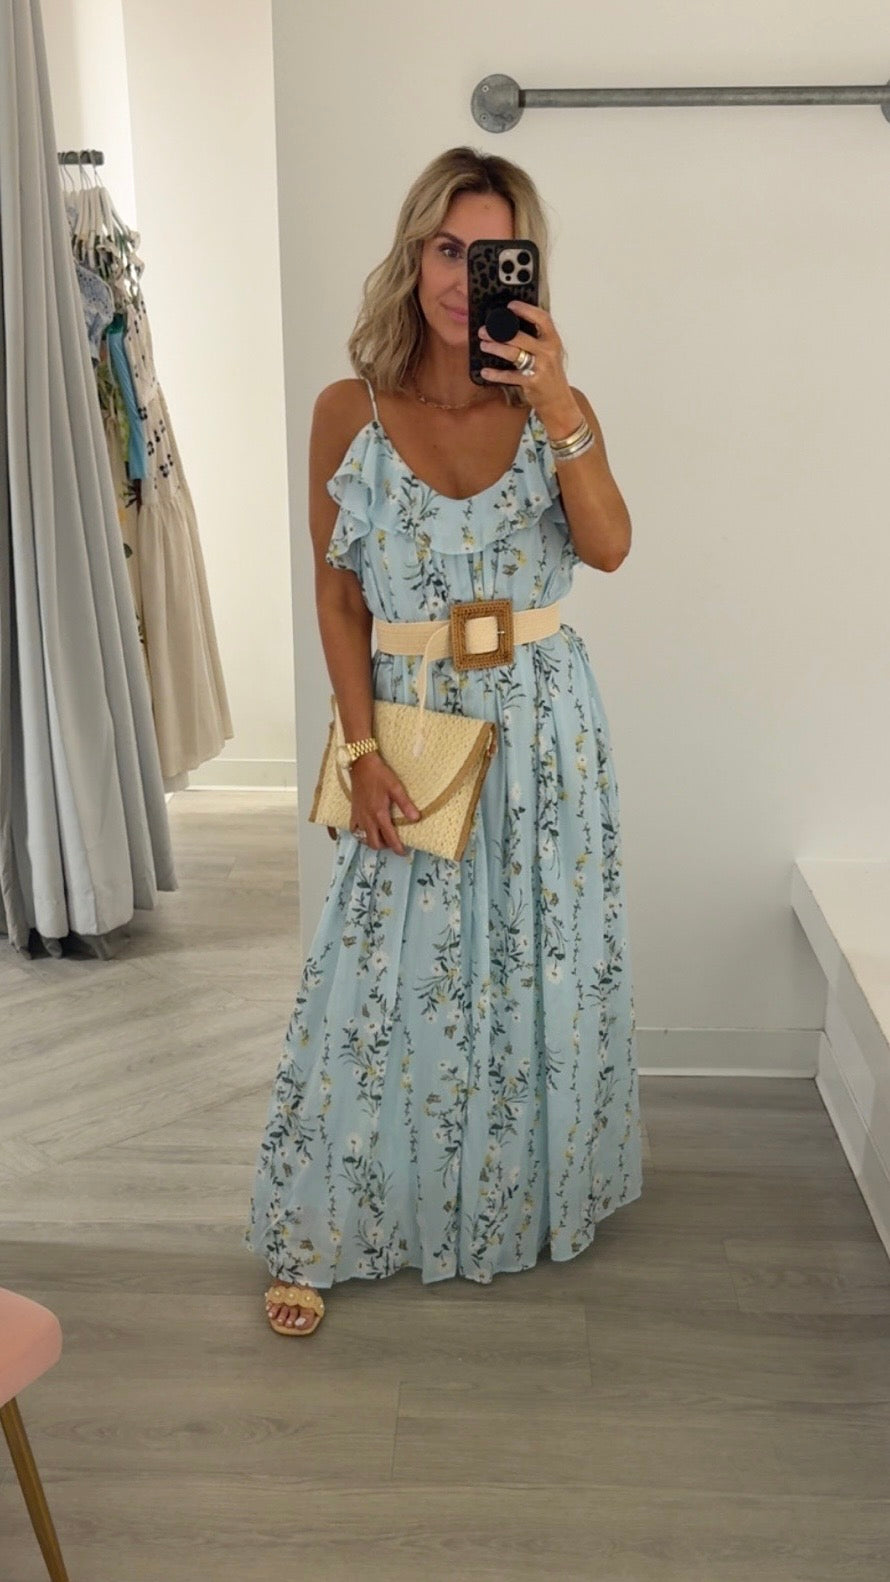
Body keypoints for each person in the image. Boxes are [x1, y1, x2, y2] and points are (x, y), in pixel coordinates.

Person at [247, 146, 643, 1336]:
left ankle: (514, 1200)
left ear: (526, 269)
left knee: (535, 967)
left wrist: (560, 409)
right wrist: (358, 751)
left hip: (543, 726)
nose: (465, 280)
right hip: (412, 723)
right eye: (445, 249)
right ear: (413, 253)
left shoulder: (554, 410)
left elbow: (609, 547)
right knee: (378, 973)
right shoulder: (348, 411)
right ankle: (325, 1220)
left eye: (491, 256)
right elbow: (337, 599)